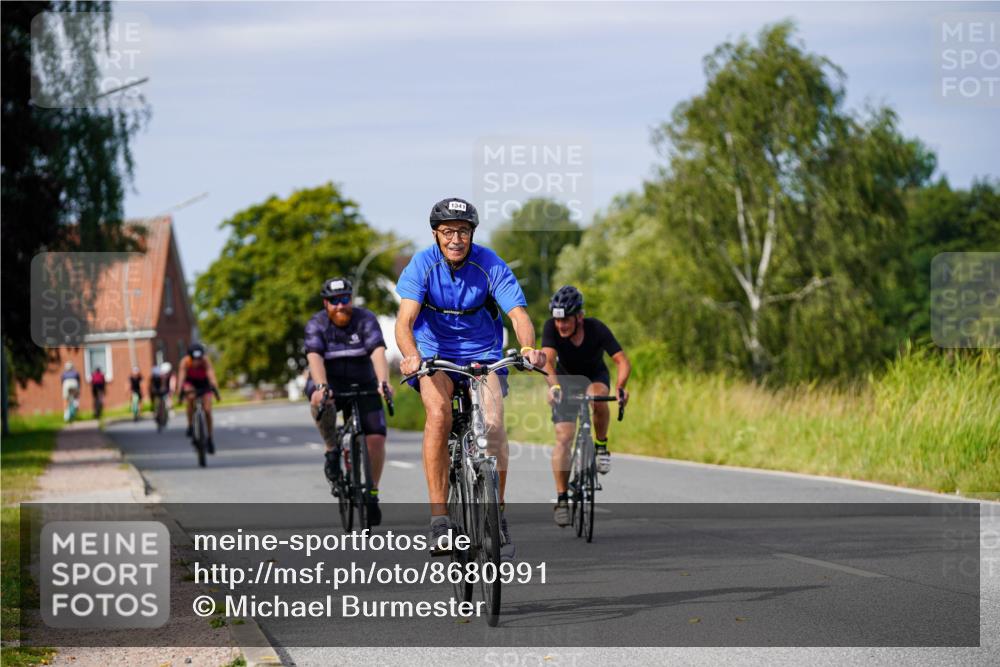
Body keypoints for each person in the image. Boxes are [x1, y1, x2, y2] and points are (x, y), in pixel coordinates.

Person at [395, 197, 545, 560]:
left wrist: (528, 348)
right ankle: (439, 519)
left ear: (472, 233)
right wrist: (411, 356)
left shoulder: (490, 263)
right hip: (434, 353)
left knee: (493, 426)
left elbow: (518, 314)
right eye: (448, 232)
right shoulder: (422, 265)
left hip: (483, 353)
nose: (455, 239)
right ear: (436, 234)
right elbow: (404, 322)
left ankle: (498, 515)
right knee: (439, 415)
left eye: (462, 231)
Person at [304, 277, 392, 527]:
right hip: (329, 381)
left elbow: (377, 351)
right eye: (334, 301)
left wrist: (383, 381)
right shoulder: (317, 324)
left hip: (363, 381)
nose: (340, 305)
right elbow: (314, 357)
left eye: (345, 299)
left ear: (351, 299)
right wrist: (321, 386)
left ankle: (372, 492)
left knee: (375, 437)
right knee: (319, 398)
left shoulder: (365, 319)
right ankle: (332, 448)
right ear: (326, 303)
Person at [541, 285, 631, 527]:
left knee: (597, 397)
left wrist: (621, 386)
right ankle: (562, 499)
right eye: (557, 320)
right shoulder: (550, 328)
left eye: (566, 320)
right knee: (563, 438)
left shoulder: (596, 328)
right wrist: (553, 386)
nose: (561, 326)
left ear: (579, 317)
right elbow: (547, 361)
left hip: (594, 377)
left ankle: (601, 447)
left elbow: (621, 360)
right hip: (566, 382)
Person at [176, 344, 220, 452]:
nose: (197, 362)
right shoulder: (185, 362)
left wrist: (215, 389)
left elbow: (211, 375)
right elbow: (181, 378)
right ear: (190, 357)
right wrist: (180, 393)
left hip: (203, 383)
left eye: (199, 359)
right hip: (190, 383)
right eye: (194, 359)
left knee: (208, 410)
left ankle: (209, 437)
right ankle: (190, 425)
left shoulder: (205, 361)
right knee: (190, 397)